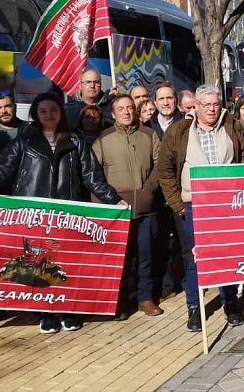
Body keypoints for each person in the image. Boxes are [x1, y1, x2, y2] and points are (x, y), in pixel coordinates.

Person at [0, 93, 125, 334]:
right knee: (37, 266)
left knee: (65, 264)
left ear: (60, 112)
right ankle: (45, 313)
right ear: (35, 114)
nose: (48, 114)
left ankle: (69, 310)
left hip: (67, 213)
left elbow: (92, 177)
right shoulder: (24, 141)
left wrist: (114, 199)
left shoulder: (76, 142)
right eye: (43, 111)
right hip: (33, 215)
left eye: (53, 109)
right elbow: (1, 171)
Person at [157, 84, 244, 332]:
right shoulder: (179, 131)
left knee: (227, 255)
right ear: (196, 106)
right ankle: (194, 308)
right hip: (194, 205)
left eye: (216, 104)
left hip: (227, 204)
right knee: (195, 259)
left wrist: (241, 194)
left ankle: (230, 303)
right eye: (207, 104)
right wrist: (177, 203)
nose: (212, 109)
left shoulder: (231, 125)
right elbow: (166, 170)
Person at [92, 95, 162, 319]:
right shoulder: (103, 139)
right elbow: (95, 175)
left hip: (145, 207)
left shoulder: (149, 135)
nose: (126, 112)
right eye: (121, 109)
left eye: (130, 108)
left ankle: (145, 298)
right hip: (117, 209)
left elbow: (160, 165)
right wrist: (109, 202)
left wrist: (148, 190)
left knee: (146, 256)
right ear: (113, 114)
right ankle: (120, 302)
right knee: (120, 259)